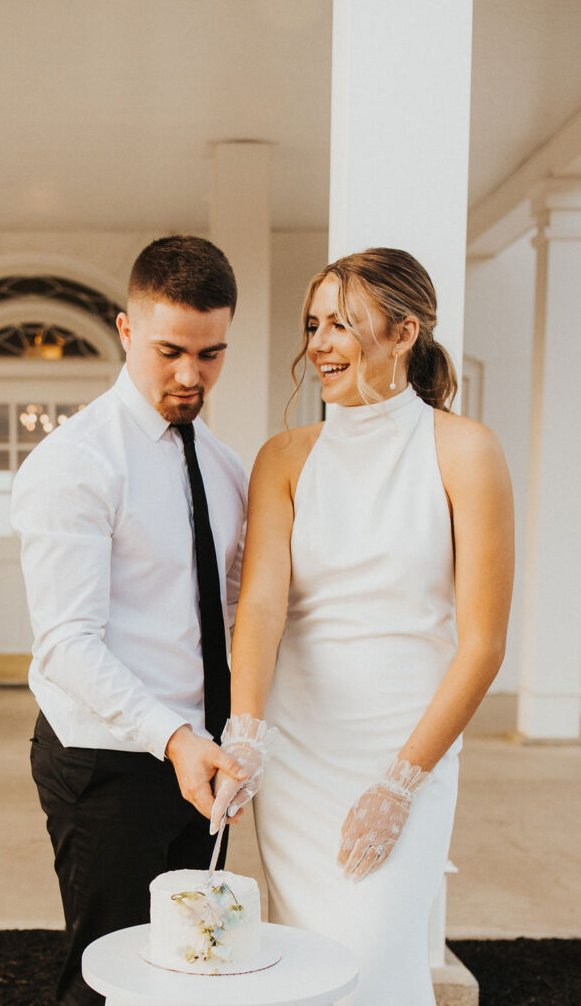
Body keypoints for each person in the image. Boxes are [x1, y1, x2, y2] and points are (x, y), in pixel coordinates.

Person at [212, 248, 514, 1005]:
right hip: (298, 751)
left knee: (375, 960)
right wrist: (244, 730)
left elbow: (481, 643)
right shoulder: (283, 457)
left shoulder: (464, 450)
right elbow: (260, 606)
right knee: (304, 968)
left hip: (402, 748)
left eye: (341, 323)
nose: (317, 342)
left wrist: (401, 782)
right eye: (313, 323)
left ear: (403, 331)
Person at [11, 235, 249, 1006]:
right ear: (124, 330)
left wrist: (221, 738)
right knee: (106, 979)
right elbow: (67, 643)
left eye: (210, 354)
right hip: (108, 762)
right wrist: (174, 739)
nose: (190, 374)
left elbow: (231, 610)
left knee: (187, 968)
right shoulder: (76, 462)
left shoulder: (222, 464)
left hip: (201, 760)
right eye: (169, 349)